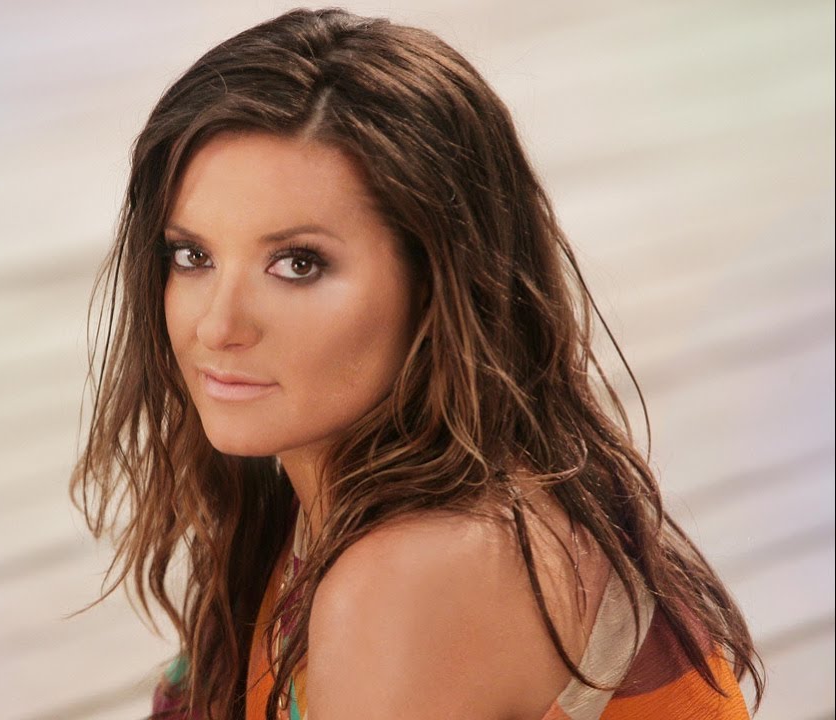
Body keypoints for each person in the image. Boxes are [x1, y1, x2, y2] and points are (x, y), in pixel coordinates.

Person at [70, 8, 763, 719]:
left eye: (298, 264)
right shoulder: (354, 511)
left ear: (437, 281)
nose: (218, 326)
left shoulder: (415, 573)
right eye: (192, 256)